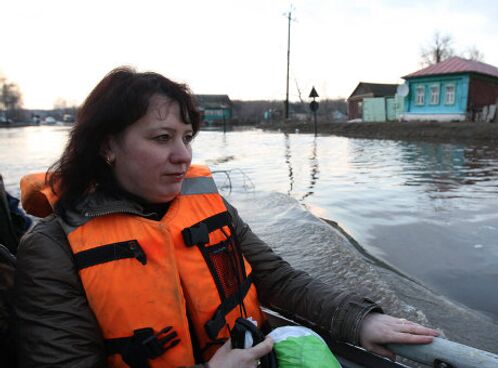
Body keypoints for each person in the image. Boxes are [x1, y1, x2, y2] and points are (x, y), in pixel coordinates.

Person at [12, 67, 437, 367]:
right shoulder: (53, 249)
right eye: (162, 138)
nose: (183, 156)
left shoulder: (208, 205)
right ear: (107, 147)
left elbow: (277, 277)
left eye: (187, 138)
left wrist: (357, 319)